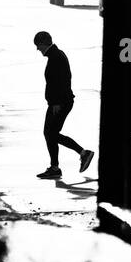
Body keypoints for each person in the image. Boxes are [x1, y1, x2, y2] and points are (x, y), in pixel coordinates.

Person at [34, 31, 93, 178]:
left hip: (60, 103)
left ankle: (82, 153)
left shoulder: (56, 57)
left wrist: (56, 103)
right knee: (50, 133)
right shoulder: (56, 55)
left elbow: (61, 82)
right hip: (59, 102)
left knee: (51, 133)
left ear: (44, 43)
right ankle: (56, 166)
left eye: (38, 45)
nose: (37, 49)